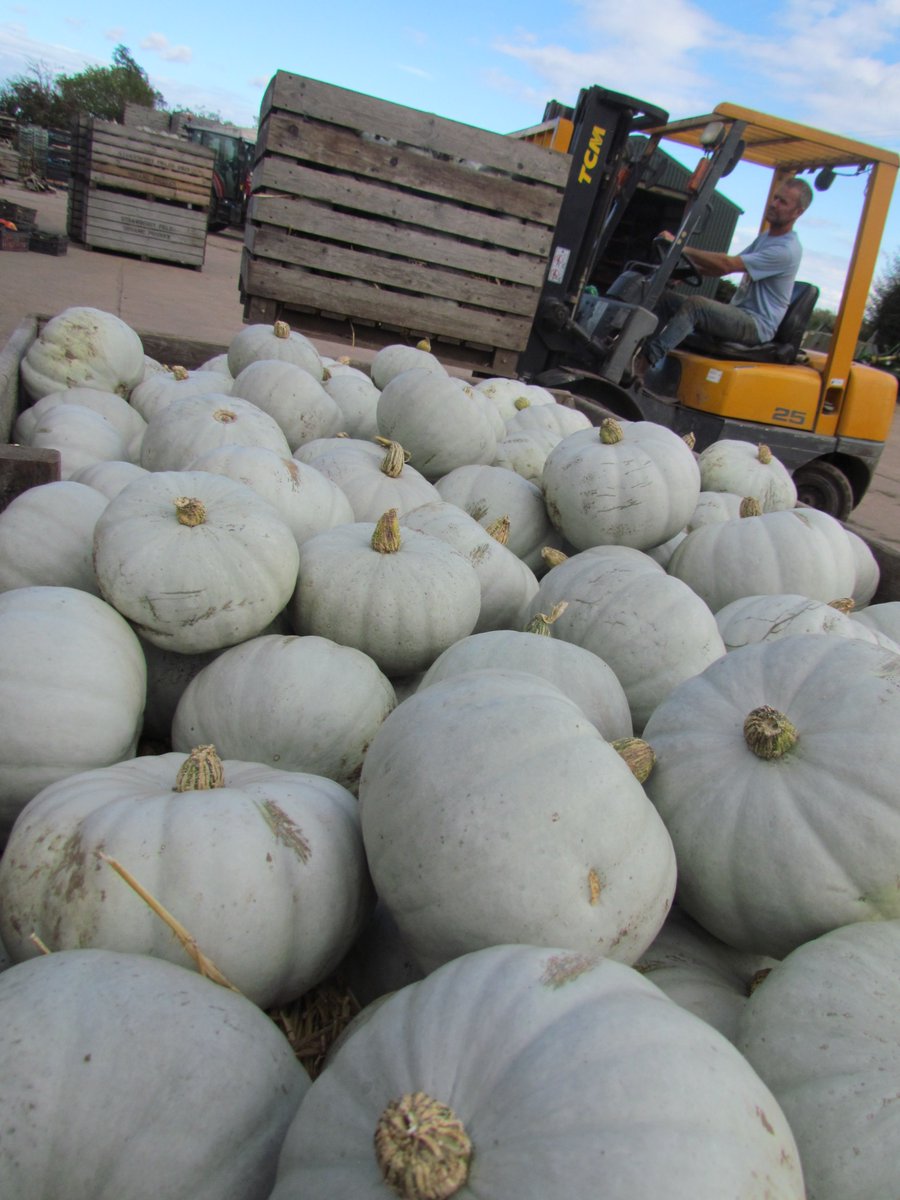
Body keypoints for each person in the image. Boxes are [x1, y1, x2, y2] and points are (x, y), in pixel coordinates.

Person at [630, 176, 814, 381]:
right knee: (666, 300)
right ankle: (629, 352)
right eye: (775, 198)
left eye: (783, 202)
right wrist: (682, 274)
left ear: (798, 212)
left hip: (756, 325)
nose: (774, 204)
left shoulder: (785, 250)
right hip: (740, 313)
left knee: (696, 306)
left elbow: (728, 264)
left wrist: (679, 245)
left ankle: (643, 365)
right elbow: (722, 270)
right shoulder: (767, 238)